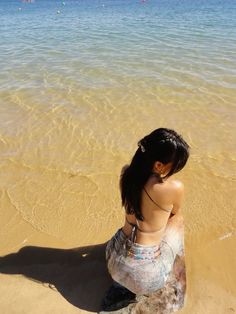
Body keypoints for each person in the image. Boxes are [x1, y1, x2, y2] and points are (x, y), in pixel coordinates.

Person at [105, 128, 190, 301]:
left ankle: (121, 283)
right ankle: (177, 269)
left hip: (113, 259)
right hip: (144, 277)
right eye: (175, 165)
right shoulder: (174, 188)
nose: (174, 170)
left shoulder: (126, 173)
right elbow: (174, 214)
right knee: (178, 220)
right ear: (158, 165)